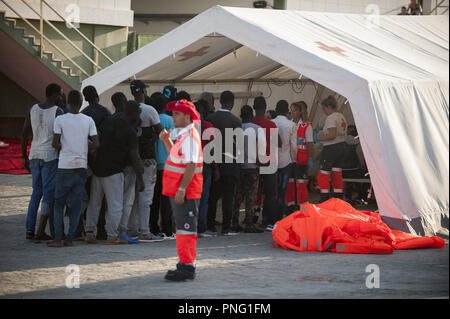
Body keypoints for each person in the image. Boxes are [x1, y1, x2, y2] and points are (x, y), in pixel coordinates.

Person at [84, 101, 145, 245]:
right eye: (139, 112)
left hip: (98, 167)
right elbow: (135, 157)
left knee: (95, 202)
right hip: (114, 171)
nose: (140, 115)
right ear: (133, 113)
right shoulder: (130, 132)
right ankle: (112, 236)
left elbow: (96, 139)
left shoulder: (108, 122)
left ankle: (90, 233)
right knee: (115, 205)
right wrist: (141, 180)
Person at [47, 90, 99, 247]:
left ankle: (57, 238)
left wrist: (66, 148)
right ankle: (70, 238)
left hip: (64, 166)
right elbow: (96, 143)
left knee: (58, 204)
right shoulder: (88, 120)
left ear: (68, 103)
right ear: (82, 103)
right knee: (76, 205)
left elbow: (55, 143)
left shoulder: (60, 119)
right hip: (81, 166)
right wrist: (82, 149)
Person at [159, 99, 203, 281]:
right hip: (181, 190)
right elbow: (176, 157)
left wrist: (182, 189)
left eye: (176, 113)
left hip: (186, 191)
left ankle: (187, 266)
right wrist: (166, 140)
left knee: (186, 228)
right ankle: (185, 263)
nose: (173, 116)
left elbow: (191, 165)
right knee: (182, 228)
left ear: (187, 116)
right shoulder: (184, 134)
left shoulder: (190, 136)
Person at [22, 83, 64, 241]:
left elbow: (24, 133)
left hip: (34, 155)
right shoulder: (57, 112)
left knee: (35, 194)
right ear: (54, 95)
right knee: (47, 195)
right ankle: (41, 230)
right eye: (60, 94)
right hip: (50, 157)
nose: (61, 97)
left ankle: (29, 230)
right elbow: (59, 138)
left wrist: (23, 156)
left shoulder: (33, 109)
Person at [127, 80, 163, 241]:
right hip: (148, 159)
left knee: (131, 196)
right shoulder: (150, 110)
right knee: (146, 196)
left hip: (130, 159)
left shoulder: (126, 109)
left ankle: (131, 229)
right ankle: (144, 231)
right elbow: (161, 132)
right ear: (142, 91)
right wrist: (152, 138)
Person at [206, 91, 242, 235]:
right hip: (230, 164)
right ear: (232, 103)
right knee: (228, 197)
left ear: (220, 101)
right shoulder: (236, 121)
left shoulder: (210, 118)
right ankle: (227, 227)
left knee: (213, 197)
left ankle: (210, 224)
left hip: (213, 162)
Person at [233, 105, 266, 233]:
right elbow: (262, 148)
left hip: (239, 167)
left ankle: (234, 222)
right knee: (251, 197)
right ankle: (249, 223)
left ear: (241, 116)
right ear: (252, 115)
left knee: (238, 196)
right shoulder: (257, 129)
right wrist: (260, 161)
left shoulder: (237, 128)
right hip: (252, 167)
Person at [251, 96, 280, 231]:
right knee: (270, 194)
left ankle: (250, 219)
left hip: (253, 163)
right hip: (269, 162)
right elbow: (278, 143)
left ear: (253, 108)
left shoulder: (249, 122)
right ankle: (268, 221)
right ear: (265, 107)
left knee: (252, 192)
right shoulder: (271, 124)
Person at [151, 94, 176, 239]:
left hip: (154, 163)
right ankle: (167, 230)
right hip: (168, 164)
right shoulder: (170, 121)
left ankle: (153, 228)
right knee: (167, 201)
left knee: (154, 200)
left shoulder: (152, 119)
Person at [314, 95, 348, 202]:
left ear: (328, 106)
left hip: (331, 148)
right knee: (336, 173)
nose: (324, 111)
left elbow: (332, 135)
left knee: (323, 174)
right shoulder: (341, 116)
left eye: (324, 108)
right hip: (342, 147)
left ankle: (324, 199)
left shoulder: (331, 117)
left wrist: (319, 138)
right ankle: (338, 199)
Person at [272, 100, 297, 217]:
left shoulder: (271, 123)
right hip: (286, 160)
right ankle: (280, 214)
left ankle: (271, 215)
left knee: (272, 190)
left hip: (272, 160)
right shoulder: (291, 125)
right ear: (287, 111)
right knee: (282, 190)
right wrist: (293, 160)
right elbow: (294, 146)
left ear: (276, 110)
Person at [194, 99, 216, 237]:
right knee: (203, 197)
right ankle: (201, 228)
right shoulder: (208, 125)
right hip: (205, 165)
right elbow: (212, 149)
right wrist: (216, 167)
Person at [287, 101, 314, 207]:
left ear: (300, 112)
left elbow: (309, 143)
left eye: (295, 110)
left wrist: (310, 158)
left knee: (301, 184)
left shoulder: (306, 125)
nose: (292, 112)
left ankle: (303, 209)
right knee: (290, 184)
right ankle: (290, 207)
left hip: (301, 160)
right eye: (291, 110)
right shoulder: (289, 124)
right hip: (289, 159)